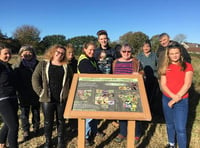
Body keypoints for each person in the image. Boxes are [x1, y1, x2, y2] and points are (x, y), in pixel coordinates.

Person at [32, 44, 73, 148]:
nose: (60, 55)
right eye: (58, 52)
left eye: (62, 53)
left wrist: (68, 94)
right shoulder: (43, 64)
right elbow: (35, 79)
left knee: (61, 121)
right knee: (47, 122)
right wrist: (41, 93)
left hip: (61, 99)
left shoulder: (66, 66)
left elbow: (72, 80)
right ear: (53, 52)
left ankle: (60, 141)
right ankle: (48, 141)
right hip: (47, 99)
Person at [158, 44, 193, 148]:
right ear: (168, 55)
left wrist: (175, 99)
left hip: (181, 100)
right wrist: (172, 97)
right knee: (169, 124)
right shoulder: (165, 66)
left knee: (180, 128)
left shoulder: (187, 66)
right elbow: (163, 85)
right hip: (167, 98)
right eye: (171, 53)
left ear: (180, 53)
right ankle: (171, 143)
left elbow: (187, 84)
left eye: (176, 53)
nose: (174, 55)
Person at [113, 43, 143, 144]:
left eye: (129, 51)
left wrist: (139, 74)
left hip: (133, 91)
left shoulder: (136, 62)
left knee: (135, 113)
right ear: (120, 52)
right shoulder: (115, 62)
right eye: (124, 51)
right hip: (119, 91)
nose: (126, 53)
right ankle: (122, 132)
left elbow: (143, 74)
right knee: (122, 113)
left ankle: (137, 133)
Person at [14, 45, 40, 141]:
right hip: (23, 92)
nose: (28, 54)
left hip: (35, 92)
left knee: (36, 111)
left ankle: (36, 127)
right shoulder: (17, 66)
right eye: (25, 52)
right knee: (24, 113)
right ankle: (26, 130)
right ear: (21, 54)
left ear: (33, 54)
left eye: (30, 52)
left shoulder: (38, 64)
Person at [77, 41, 101, 146]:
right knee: (88, 115)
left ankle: (94, 131)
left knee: (95, 113)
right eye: (90, 49)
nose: (92, 51)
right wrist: (101, 73)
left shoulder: (92, 59)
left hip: (93, 89)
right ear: (85, 50)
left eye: (93, 50)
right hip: (86, 90)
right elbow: (93, 73)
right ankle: (86, 137)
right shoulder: (83, 61)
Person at [0, 44, 18, 148]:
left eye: (9, 53)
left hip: (13, 97)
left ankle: (1, 143)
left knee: (8, 123)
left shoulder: (8, 66)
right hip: (3, 99)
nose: (8, 55)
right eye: (5, 53)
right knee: (14, 126)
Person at [137, 40, 159, 114]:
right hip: (143, 79)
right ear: (142, 48)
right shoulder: (139, 56)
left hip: (154, 78)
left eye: (147, 46)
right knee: (144, 95)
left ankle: (152, 111)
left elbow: (158, 66)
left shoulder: (154, 55)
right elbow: (137, 68)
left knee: (152, 95)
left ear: (150, 47)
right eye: (144, 46)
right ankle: (144, 111)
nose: (146, 48)